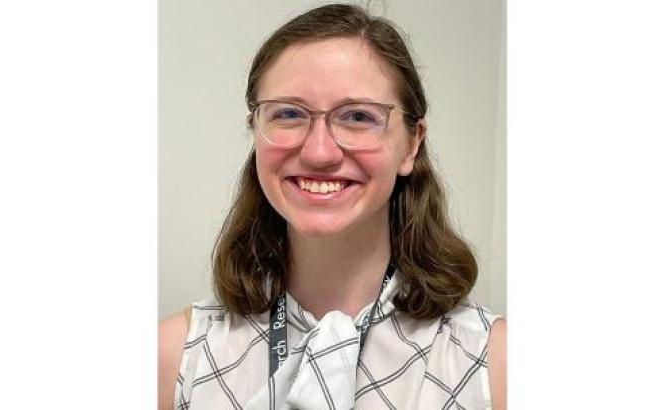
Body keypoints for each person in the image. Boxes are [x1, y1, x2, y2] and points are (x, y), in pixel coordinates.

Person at [158, 4, 505, 409]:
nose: (319, 152)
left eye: (358, 116)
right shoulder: (174, 358)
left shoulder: (493, 365)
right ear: (255, 132)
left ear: (412, 144)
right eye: (288, 114)